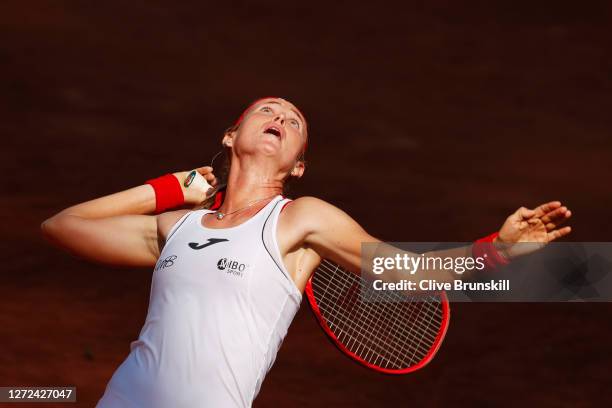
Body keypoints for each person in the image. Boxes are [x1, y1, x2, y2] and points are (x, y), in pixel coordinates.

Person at [41, 97, 572, 407]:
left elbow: (411, 275)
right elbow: (63, 226)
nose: (281, 117)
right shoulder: (175, 228)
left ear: (298, 166)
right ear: (231, 135)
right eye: (267, 111)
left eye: (294, 122)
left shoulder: (302, 219)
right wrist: (171, 187)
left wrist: (495, 251)